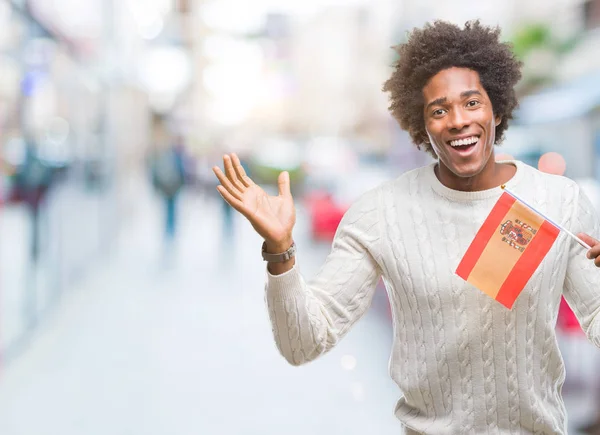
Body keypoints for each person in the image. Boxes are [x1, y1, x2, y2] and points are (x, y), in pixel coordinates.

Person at [213, 20, 600, 434]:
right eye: (438, 110)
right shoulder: (380, 214)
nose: (457, 120)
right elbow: (303, 343)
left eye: (472, 103)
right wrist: (281, 251)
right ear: (421, 125)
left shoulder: (558, 201)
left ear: (497, 109)